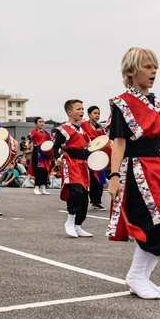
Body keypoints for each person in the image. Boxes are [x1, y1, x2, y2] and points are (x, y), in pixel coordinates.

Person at [107, 47, 160, 299]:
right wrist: (113, 177)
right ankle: (135, 276)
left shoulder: (159, 105)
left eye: (155, 66)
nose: (153, 71)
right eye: (147, 66)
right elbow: (119, 143)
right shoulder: (122, 103)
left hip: (159, 169)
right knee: (151, 223)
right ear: (131, 71)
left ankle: (143, 278)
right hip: (136, 170)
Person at [53, 100, 97, 237]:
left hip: (82, 164)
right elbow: (55, 147)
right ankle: (70, 221)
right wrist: (57, 158)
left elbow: (87, 149)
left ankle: (78, 225)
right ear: (69, 112)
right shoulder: (63, 130)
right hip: (70, 163)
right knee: (76, 192)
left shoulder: (83, 130)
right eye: (78, 109)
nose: (82, 111)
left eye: (83, 108)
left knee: (84, 196)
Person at [86, 105, 107, 210]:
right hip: (88, 153)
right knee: (91, 177)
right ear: (89, 114)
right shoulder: (83, 125)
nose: (97, 115)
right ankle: (90, 200)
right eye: (95, 113)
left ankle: (96, 201)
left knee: (99, 178)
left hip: (99, 153)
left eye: (98, 113)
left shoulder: (100, 127)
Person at [28, 117, 53, 195]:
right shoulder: (33, 132)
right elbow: (29, 140)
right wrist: (27, 144)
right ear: (36, 124)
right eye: (40, 122)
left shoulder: (46, 133)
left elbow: (50, 141)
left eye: (43, 122)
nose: (42, 123)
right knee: (38, 170)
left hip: (45, 153)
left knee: (45, 170)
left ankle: (43, 188)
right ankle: (36, 187)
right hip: (38, 152)